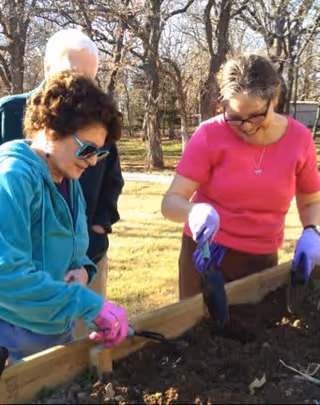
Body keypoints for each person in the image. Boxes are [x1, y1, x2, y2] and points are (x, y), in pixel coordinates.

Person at [161, 54, 320, 300]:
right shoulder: (210, 134)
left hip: (260, 260)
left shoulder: (299, 140)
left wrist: (312, 230)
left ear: (275, 97)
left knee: (256, 335)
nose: (246, 126)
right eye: (234, 117)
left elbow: (310, 200)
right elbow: (170, 202)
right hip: (205, 257)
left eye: (256, 115)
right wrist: (193, 212)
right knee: (198, 334)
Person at [0, 30, 124, 335]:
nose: (94, 161)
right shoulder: (12, 179)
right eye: (88, 149)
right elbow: (7, 273)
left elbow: (72, 252)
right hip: (14, 343)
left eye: (100, 151)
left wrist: (84, 270)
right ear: (52, 128)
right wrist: (88, 303)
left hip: (56, 330)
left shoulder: (69, 175)